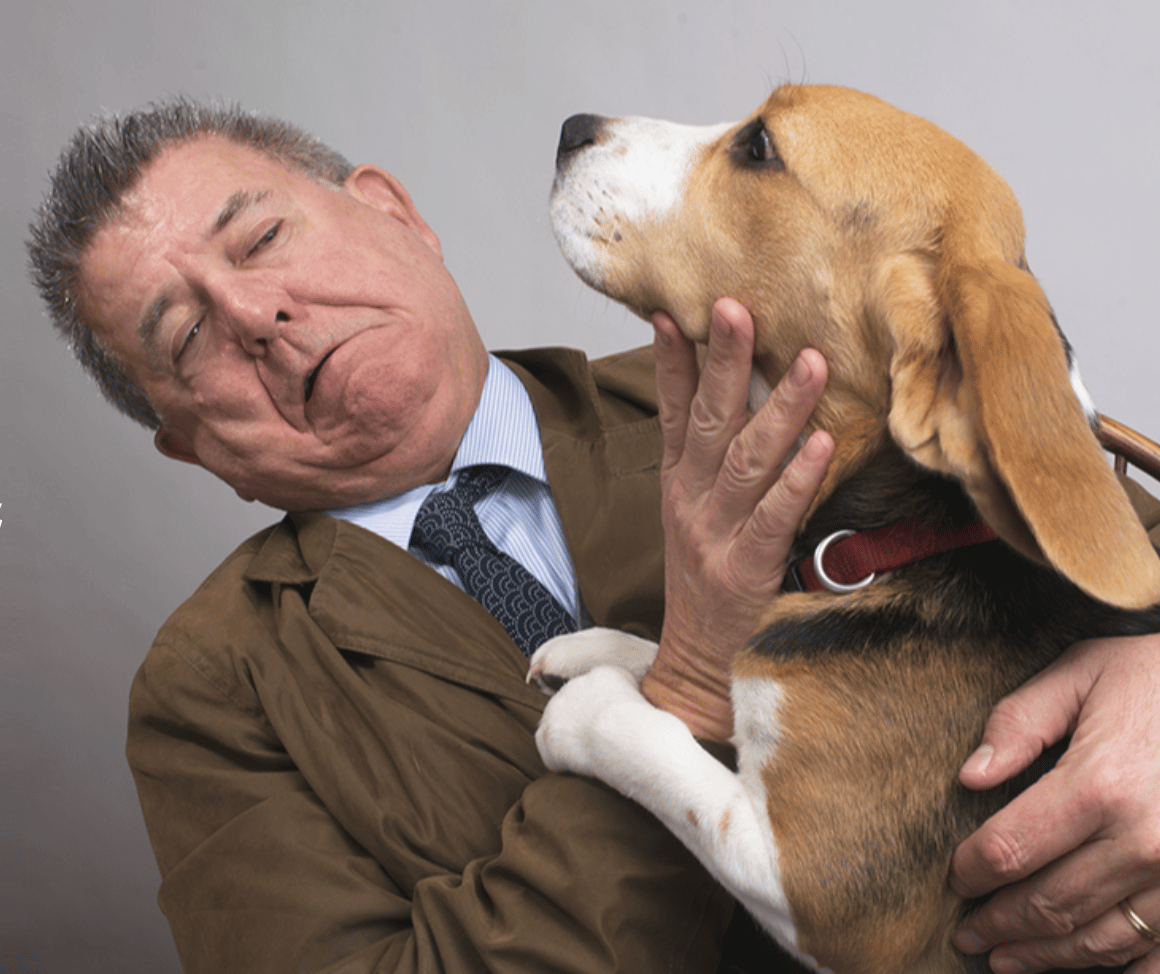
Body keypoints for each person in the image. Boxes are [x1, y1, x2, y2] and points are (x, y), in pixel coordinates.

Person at [26, 98, 1160, 974]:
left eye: (262, 237)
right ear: (189, 446)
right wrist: (682, 678)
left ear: (393, 211)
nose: (257, 318)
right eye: (186, 340)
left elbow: (1072, 497)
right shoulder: (209, 693)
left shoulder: (789, 387)